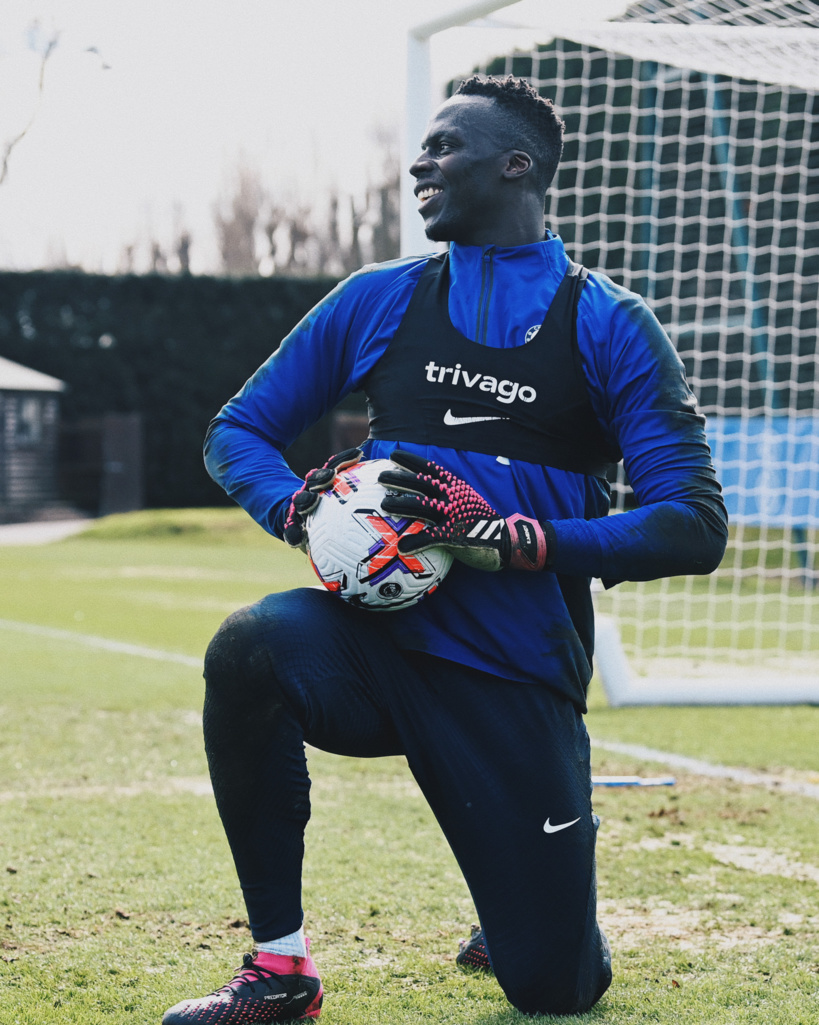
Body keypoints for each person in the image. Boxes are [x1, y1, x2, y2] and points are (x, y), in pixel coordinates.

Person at [162, 74, 728, 1023]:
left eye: (443, 147)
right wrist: (295, 510)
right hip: (373, 650)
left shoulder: (610, 324)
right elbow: (237, 432)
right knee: (248, 646)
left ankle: (529, 905)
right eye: (421, 148)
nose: (419, 163)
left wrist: (513, 541)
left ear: (517, 167)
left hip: (511, 671)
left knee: (553, 989)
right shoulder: (378, 299)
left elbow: (692, 523)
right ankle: (279, 969)